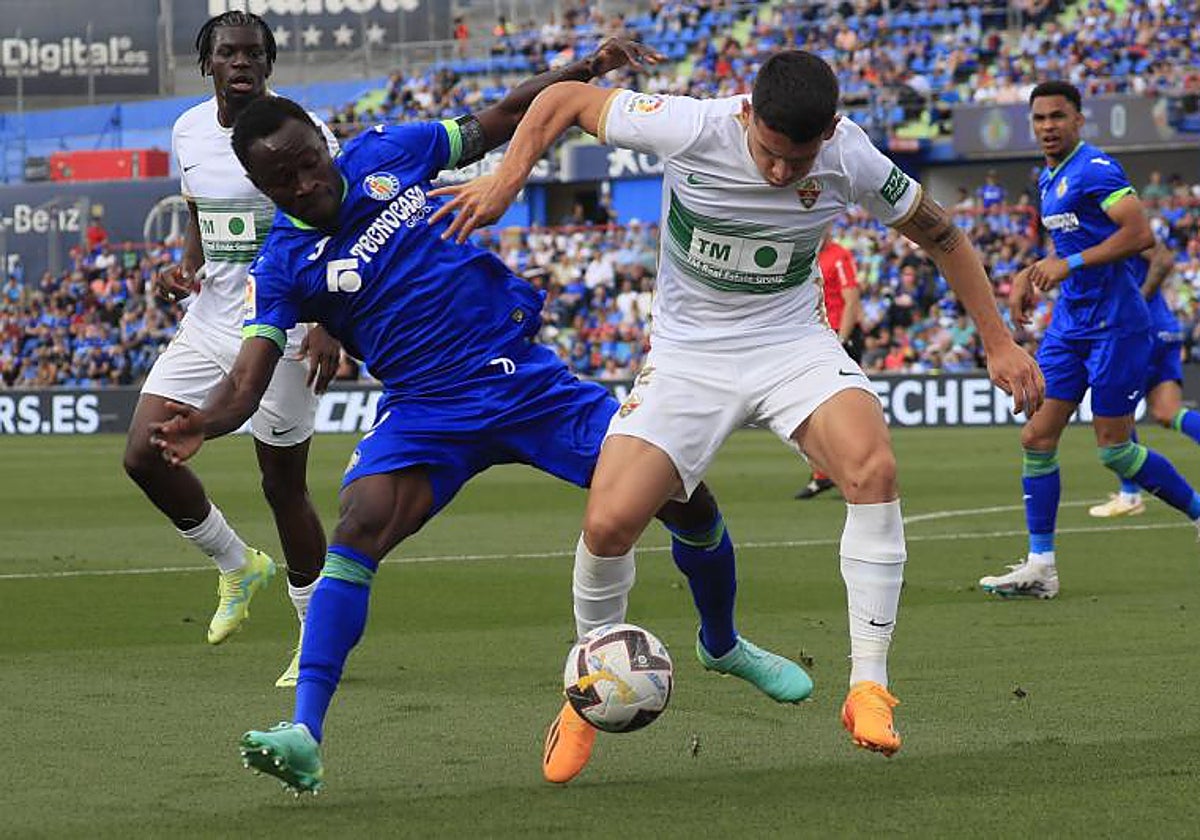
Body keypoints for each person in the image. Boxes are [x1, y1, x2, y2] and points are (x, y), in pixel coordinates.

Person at [151, 42, 809, 796]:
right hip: (428, 412)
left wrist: (581, 72)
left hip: (526, 382)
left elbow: (499, 119)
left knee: (684, 493)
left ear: (322, 144)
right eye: (282, 180)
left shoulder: (389, 151)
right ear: (259, 185)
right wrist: (206, 419)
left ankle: (721, 644)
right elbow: (246, 380)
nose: (305, 184)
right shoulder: (283, 267)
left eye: (309, 162)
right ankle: (305, 731)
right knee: (359, 520)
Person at [431, 49, 1044, 764]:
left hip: (792, 347)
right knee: (608, 521)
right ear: (747, 115)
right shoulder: (692, 126)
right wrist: (506, 181)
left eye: (799, 159)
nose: (783, 173)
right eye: (771, 154)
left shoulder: (852, 157)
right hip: (689, 358)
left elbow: (943, 236)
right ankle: (585, 695)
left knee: (872, 471)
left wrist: (997, 343)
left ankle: (869, 686)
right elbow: (565, 98)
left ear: (831, 130)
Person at [121, 11, 343, 688]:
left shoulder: (300, 131)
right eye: (228, 53)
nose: (241, 62)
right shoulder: (188, 129)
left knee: (283, 488)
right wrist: (188, 264)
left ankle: (315, 635)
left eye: (253, 53)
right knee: (141, 453)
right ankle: (236, 563)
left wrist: (330, 323)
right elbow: (197, 209)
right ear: (208, 64)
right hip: (210, 319)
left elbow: (335, 221)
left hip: (283, 329)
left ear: (269, 65)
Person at [979, 81, 1200, 599]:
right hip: (1070, 326)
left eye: (1057, 116)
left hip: (1117, 327)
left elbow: (1140, 234)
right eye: (1039, 119)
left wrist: (1068, 263)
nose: (1048, 126)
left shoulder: (1096, 168)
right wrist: (1027, 279)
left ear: (1079, 120)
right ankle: (1041, 566)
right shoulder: (1049, 177)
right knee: (1035, 437)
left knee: (1116, 452)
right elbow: (1066, 246)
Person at [1089, 242, 1200, 517]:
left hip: (1141, 330)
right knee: (1168, 412)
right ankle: (1129, 493)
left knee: (1115, 410)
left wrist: (1138, 300)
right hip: (1163, 326)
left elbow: (1163, 259)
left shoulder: (1118, 225)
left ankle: (1129, 493)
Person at [795, 233, 864, 500]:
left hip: (836, 335)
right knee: (808, 407)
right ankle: (823, 474)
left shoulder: (839, 256)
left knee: (843, 408)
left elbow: (851, 299)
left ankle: (851, 472)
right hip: (813, 334)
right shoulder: (805, 252)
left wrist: (842, 340)